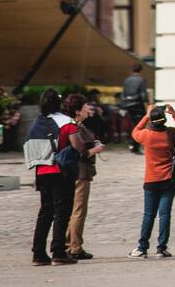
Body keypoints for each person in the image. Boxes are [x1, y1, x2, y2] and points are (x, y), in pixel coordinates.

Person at [25, 89, 77, 266]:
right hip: (60, 171)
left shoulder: (36, 124)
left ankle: (38, 253)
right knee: (62, 213)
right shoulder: (66, 121)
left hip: (41, 171)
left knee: (45, 212)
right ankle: (59, 252)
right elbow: (76, 144)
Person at [129, 104, 175, 258]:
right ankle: (161, 248)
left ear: (152, 121)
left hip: (151, 180)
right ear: (164, 120)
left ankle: (142, 247)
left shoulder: (146, 135)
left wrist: (147, 115)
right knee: (165, 214)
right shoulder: (171, 134)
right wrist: (174, 114)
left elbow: (134, 132)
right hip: (169, 179)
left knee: (148, 214)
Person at [64, 93, 105, 260]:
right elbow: (81, 152)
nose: (88, 109)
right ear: (77, 111)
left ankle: (70, 243)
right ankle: (75, 247)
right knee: (79, 211)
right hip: (80, 172)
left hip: (77, 172)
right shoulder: (74, 127)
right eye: (85, 107)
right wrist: (96, 149)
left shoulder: (79, 125)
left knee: (74, 210)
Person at [121, 64, 148, 153]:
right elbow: (143, 94)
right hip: (137, 105)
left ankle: (132, 144)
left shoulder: (126, 80)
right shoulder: (141, 80)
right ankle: (134, 146)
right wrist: (146, 103)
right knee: (139, 125)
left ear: (131, 70)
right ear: (141, 70)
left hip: (128, 105)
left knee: (132, 125)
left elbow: (123, 93)